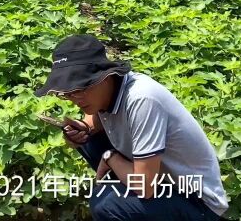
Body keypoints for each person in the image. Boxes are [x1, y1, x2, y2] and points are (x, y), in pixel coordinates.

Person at [34, 34, 229, 220]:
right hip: (163, 184)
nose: (75, 99)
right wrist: (81, 131)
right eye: (67, 93)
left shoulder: (142, 98)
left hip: (197, 202)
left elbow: (145, 187)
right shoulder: (109, 92)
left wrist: (110, 157)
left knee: (107, 205)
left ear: (105, 76)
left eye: (81, 88)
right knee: (89, 141)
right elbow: (93, 122)